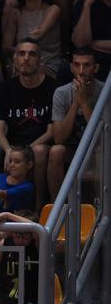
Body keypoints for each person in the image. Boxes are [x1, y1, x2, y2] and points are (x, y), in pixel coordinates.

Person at [0, 39, 54, 204]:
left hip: (38, 144)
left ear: (40, 60)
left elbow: (51, 131)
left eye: (32, 54)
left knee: (39, 151)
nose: (26, 58)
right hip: (10, 145)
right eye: (21, 54)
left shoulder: (51, 87)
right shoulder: (5, 88)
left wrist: (24, 152)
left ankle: (39, 208)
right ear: (15, 60)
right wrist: (9, 150)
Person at [49, 48, 104, 202]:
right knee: (56, 151)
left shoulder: (105, 91)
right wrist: (75, 103)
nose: (81, 71)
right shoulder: (61, 92)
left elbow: (101, 137)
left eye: (86, 65)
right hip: (72, 149)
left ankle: (101, 206)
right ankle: (58, 206)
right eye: (77, 65)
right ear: (71, 67)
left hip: (97, 148)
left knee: (102, 150)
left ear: (96, 68)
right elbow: (59, 138)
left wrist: (85, 103)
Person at [1, 0, 63, 80]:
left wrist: (21, 50)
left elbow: (37, 35)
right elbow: (6, 47)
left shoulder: (52, 9)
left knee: (30, 72)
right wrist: (21, 54)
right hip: (22, 62)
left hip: (47, 62)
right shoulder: (16, 13)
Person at [73, 0, 111, 79]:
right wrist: (87, 5)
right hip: (91, 59)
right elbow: (80, 43)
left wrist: (93, 43)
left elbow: (85, 44)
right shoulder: (84, 3)